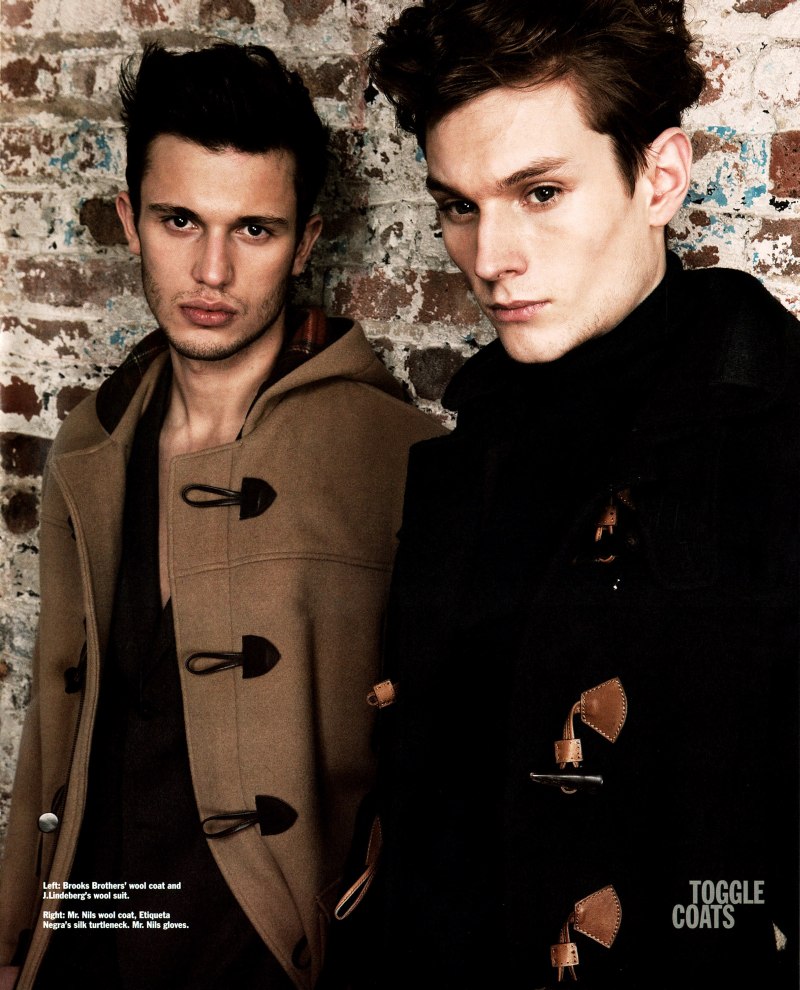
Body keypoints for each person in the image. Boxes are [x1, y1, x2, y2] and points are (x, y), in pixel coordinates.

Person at [360, 1, 800, 987]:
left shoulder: (776, 449)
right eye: (458, 206)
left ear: (660, 177)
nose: (489, 259)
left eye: (541, 192)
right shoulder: (457, 462)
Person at [0, 41, 442, 990]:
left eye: (254, 230)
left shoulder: (401, 457)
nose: (211, 269)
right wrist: (12, 944)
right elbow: (55, 728)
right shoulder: (89, 444)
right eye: (179, 220)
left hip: (268, 961)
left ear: (306, 242)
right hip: (88, 942)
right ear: (129, 220)